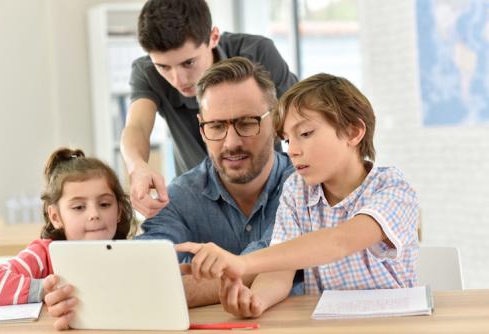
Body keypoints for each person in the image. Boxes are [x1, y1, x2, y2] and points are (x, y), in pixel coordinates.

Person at [176, 73, 420, 318]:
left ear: (353, 132)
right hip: (325, 324)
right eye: (287, 139)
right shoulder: (296, 191)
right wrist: (256, 300)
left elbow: (339, 241)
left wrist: (242, 263)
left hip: (392, 323)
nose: (292, 151)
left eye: (304, 134)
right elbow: (280, 270)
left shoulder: (393, 189)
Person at [136, 57, 297, 307]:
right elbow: (143, 275)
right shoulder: (178, 198)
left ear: (275, 122)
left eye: (246, 123)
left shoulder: (305, 186)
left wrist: (170, 291)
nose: (231, 142)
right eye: (216, 126)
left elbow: (275, 258)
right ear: (202, 129)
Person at [121, 0, 297, 218]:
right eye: (164, 67)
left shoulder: (258, 52)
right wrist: (137, 167)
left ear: (213, 37)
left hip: (270, 199)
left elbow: (299, 121)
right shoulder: (146, 72)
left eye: (188, 63)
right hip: (202, 208)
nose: (179, 79)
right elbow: (136, 126)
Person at [0, 148, 136, 330]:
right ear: (56, 217)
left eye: (104, 204)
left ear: (119, 211)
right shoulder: (43, 255)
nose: (94, 214)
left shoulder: (131, 255)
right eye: (79, 207)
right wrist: (44, 289)